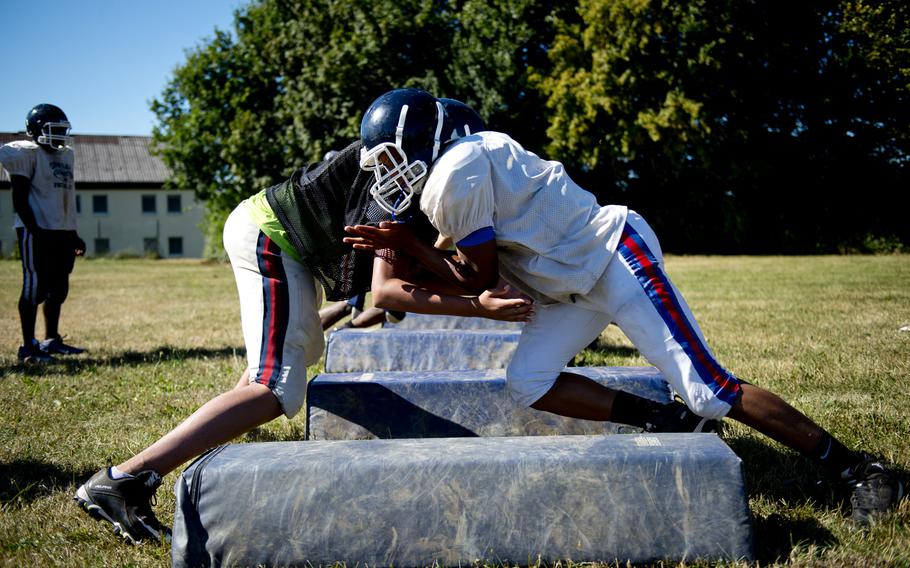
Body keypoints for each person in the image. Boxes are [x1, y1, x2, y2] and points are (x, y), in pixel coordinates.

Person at [344, 88, 904, 525]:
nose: (390, 174)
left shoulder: (455, 172)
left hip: (612, 257)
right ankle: (668, 419)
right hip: (570, 282)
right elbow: (463, 275)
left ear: (425, 136)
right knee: (528, 380)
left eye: (393, 157)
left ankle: (858, 467)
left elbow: (479, 278)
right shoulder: (463, 162)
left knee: (709, 388)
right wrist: (413, 250)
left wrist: (413, 248)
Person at [73, 138, 535, 544]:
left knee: (290, 360)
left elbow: (417, 271)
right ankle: (124, 479)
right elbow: (389, 289)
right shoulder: (398, 180)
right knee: (276, 386)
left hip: (282, 239)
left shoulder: (411, 167)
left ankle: (216, 435)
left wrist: (477, 284)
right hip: (272, 238)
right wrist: (479, 302)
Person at [0, 104, 86, 363]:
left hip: (61, 231)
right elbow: (20, 199)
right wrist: (36, 231)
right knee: (33, 288)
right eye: (55, 130)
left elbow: (66, 199)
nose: (60, 135)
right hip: (36, 232)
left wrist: (73, 234)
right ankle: (28, 345)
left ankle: (51, 340)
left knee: (58, 289)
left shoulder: (65, 156)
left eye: (62, 130)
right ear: (36, 130)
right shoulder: (24, 153)